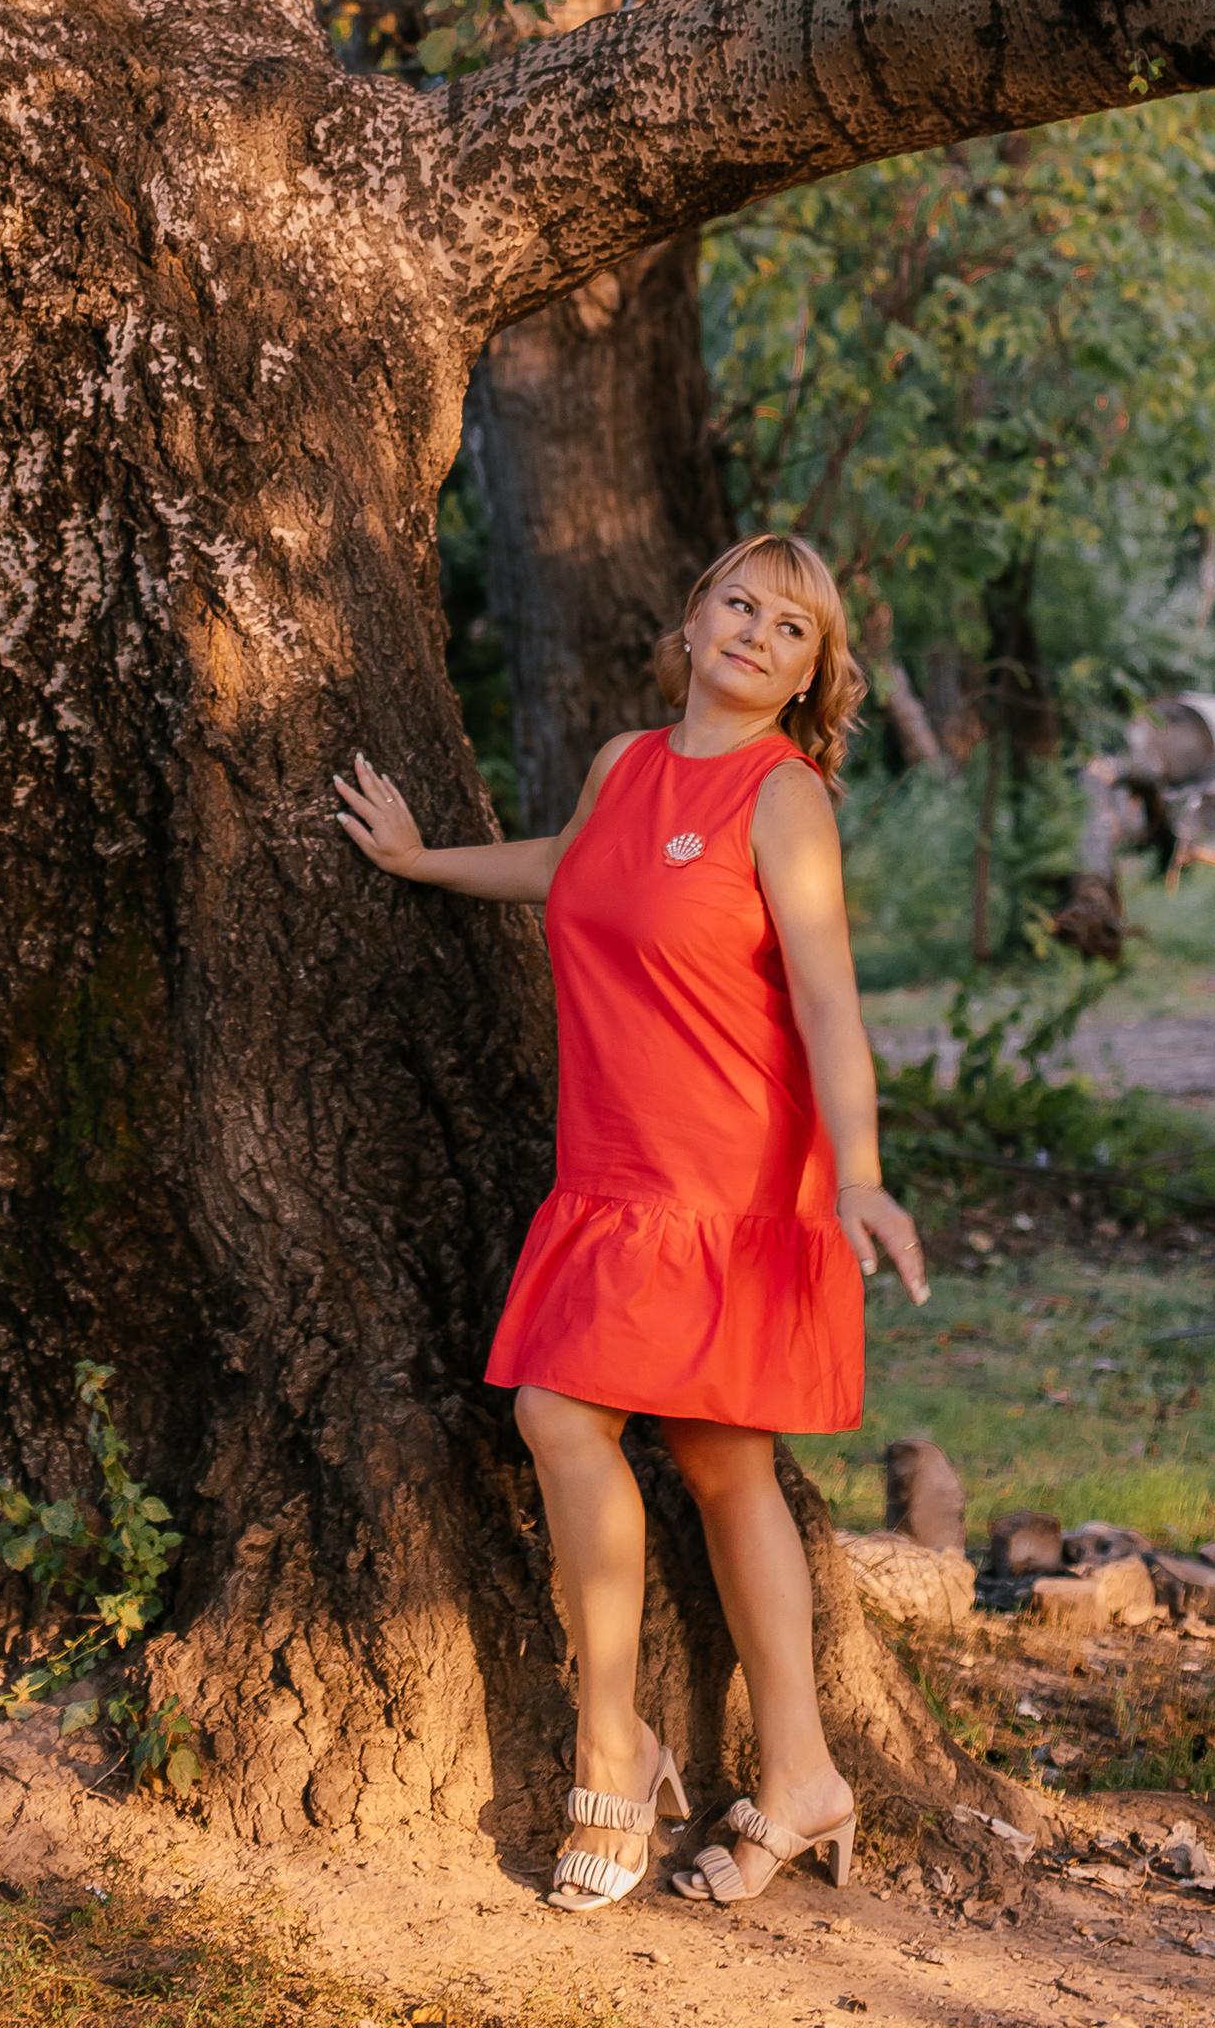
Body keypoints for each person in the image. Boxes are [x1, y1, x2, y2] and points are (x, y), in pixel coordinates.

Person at [335, 532, 927, 1921]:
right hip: (617, 1170)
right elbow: (578, 868)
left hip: (729, 1180)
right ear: (692, 612)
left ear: (809, 679)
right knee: (719, 1461)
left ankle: (617, 1751)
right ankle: (800, 1777)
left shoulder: (785, 804)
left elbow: (832, 1001)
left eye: (794, 629)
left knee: (581, 1421)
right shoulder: (623, 765)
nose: (756, 634)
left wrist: (860, 1179)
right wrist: (425, 863)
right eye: (740, 603)